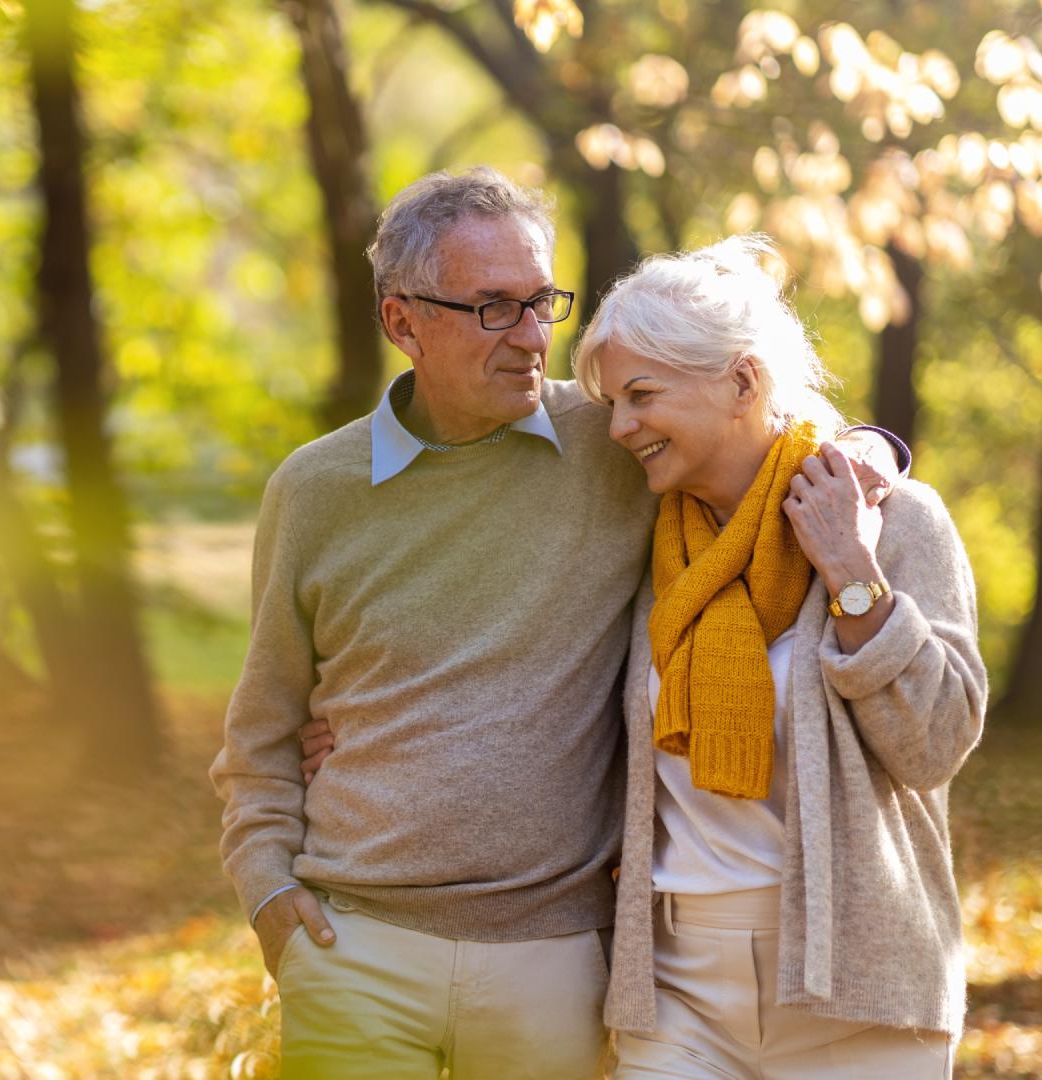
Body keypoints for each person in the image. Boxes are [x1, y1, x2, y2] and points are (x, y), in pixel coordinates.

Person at [209, 168, 904, 1079]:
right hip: (354, 945)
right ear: (402, 322)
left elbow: (753, 434)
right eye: (495, 307)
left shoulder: (614, 445)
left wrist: (868, 449)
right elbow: (260, 732)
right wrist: (268, 892)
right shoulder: (313, 491)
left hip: (558, 956)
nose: (534, 337)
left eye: (543, 300)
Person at [578, 236, 984, 1075]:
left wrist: (852, 573)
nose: (620, 427)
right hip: (676, 986)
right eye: (614, 401)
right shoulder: (647, 538)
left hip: (857, 988)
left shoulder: (893, 521)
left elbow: (936, 746)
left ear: (742, 381)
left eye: (642, 395)